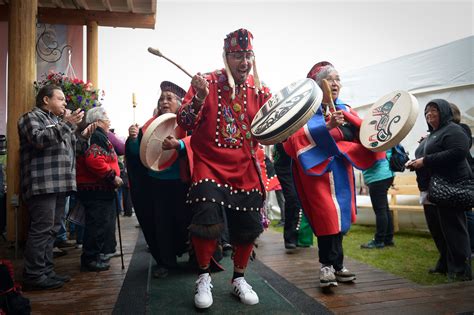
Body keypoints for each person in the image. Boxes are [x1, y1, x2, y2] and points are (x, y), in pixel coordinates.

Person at [176, 28, 272, 308]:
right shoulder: (205, 82)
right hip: (209, 164)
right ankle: (203, 277)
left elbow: (273, 130)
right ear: (226, 56)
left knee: (249, 224)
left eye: (248, 56)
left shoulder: (261, 90)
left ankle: (238, 279)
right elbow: (185, 122)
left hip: (245, 165)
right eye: (238, 56)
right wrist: (198, 98)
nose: (244, 62)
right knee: (206, 216)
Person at [283, 61, 384, 288]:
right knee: (327, 216)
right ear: (318, 85)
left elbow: (361, 135)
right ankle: (327, 266)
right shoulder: (306, 112)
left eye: (338, 79)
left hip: (341, 172)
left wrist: (345, 138)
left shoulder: (347, 110)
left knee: (339, 218)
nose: (335, 83)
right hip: (318, 174)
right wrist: (327, 128)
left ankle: (337, 265)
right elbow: (294, 140)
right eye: (330, 80)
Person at [18, 84, 84, 290]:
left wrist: (82, 132)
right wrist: (66, 124)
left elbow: (76, 150)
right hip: (42, 183)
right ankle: (34, 275)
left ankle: (46, 271)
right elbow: (39, 140)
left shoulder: (58, 122)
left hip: (59, 183)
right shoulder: (30, 117)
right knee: (42, 229)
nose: (65, 102)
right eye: (61, 98)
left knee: (53, 230)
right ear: (46, 100)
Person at [126, 81, 192, 278]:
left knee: (187, 222)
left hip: (183, 182)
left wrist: (180, 145)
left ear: (181, 104)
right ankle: (166, 262)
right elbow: (136, 154)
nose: (164, 102)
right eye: (161, 98)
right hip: (157, 183)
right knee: (161, 225)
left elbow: (196, 145)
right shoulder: (148, 125)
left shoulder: (187, 124)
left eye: (169, 98)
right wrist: (134, 139)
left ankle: (196, 258)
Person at [406, 99, 472, 281]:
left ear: (444, 112)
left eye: (434, 110)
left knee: (454, 229)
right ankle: (445, 263)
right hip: (431, 188)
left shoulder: (453, 130)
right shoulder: (433, 134)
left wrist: (425, 161)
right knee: (437, 229)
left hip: (450, 187)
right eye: (426, 112)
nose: (429, 114)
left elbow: (459, 151)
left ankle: (461, 269)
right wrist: (415, 162)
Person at [76, 106, 122, 272]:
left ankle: (95, 256)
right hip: (96, 189)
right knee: (96, 225)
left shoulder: (98, 135)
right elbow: (94, 160)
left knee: (100, 223)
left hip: (98, 188)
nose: (109, 121)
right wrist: (112, 176)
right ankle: (90, 259)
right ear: (99, 121)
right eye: (107, 117)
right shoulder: (97, 135)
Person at [449, 103, 474, 257]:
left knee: (467, 214)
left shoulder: (461, 128)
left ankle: (471, 246)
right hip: (458, 176)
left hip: (464, 176)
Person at [360, 149, 395, 249]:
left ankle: (379, 241)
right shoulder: (382, 136)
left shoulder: (370, 138)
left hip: (377, 176)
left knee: (380, 210)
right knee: (384, 209)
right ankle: (388, 239)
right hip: (387, 173)